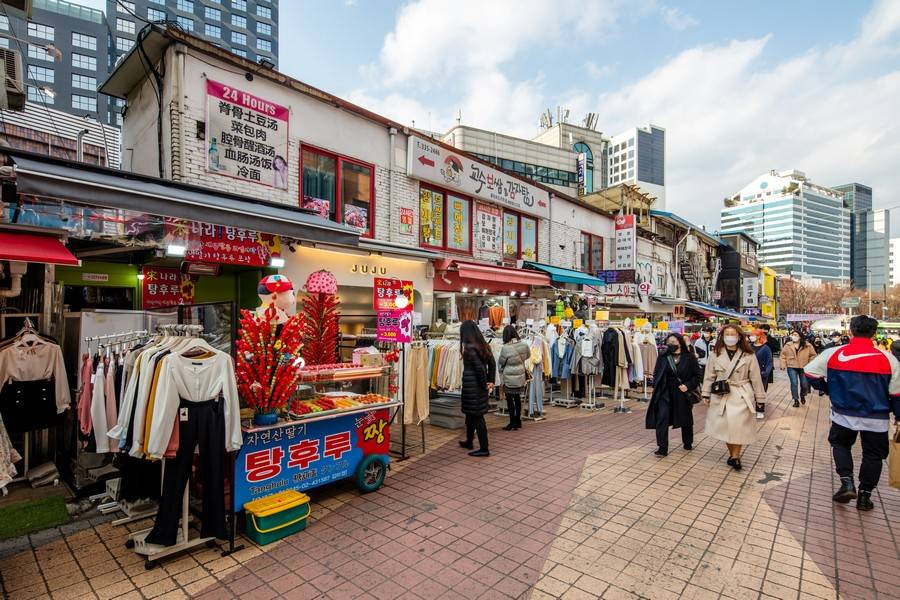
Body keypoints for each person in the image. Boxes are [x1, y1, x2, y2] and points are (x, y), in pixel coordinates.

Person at [804, 315, 900, 511]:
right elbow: (897, 393)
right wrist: (898, 416)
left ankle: (847, 482)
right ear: (874, 334)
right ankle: (865, 496)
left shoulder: (835, 353)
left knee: (840, 444)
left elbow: (810, 372)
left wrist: (830, 389)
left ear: (850, 331)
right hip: (877, 417)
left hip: (843, 413)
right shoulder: (888, 359)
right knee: (873, 455)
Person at [701, 325, 767, 471]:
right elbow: (709, 375)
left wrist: (760, 399)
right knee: (726, 428)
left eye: (733, 334)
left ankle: (736, 456)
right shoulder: (715, 354)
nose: (730, 337)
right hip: (721, 394)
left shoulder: (748, 355)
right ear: (722, 337)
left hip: (741, 394)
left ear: (739, 337)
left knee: (738, 427)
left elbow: (756, 378)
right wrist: (705, 393)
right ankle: (732, 455)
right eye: (727, 334)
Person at [646, 333, 702, 457]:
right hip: (664, 391)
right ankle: (662, 447)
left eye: (674, 342)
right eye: (669, 342)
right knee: (662, 417)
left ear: (680, 342)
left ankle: (687, 442)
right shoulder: (663, 356)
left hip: (681, 391)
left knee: (685, 417)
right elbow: (657, 372)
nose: (671, 344)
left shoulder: (689, 357)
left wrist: (687, 385)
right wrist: (656, 385)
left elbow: (698, 376)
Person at [458, 320, 496, 457]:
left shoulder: (469, 348)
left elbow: (479, 369)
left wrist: (485, 384)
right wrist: (491, 380)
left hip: (474, 387)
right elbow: (492, 363)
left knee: (478, 417)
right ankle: (469, 440)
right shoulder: (483, 345)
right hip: (476, 387)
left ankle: (484, 448)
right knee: (470, 414)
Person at [497, 325, 530, 431]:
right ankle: (518, 421)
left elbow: (501, 362)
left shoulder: (505, 348)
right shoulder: (524, 345)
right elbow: (528, 356)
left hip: (509, 376)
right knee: (517, 398)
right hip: (520, 375)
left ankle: (512, 422)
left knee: (510, 399)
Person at [781, 329, 817, 407]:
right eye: (793, 335)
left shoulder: (807, 345)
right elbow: (783, 355)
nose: (793, 336)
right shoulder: (788, 345)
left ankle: (802, 395)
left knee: (804, 384)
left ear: (800, 337)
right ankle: (796, 400)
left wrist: (810, 363)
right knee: (794, 383)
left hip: (804, 367)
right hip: (791, 366)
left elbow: (813, 355)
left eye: (795, 335)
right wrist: (783, 364)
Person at [750, 329, 773, 421]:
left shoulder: (765, 348)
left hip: (761, 373)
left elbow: (769, 362)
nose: (751, 337)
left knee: (760, 392)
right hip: (749, 373)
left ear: (759, 336)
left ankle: (760, 410)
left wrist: (765, 373)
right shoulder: (748, 346)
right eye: (751, 335)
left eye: (753, 335)